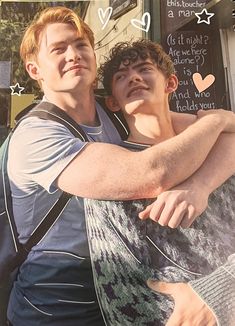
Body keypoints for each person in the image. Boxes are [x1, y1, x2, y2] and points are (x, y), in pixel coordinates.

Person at [7, 6, 235, 326]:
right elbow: (151, 173)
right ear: (34, 69)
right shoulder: (36, 135)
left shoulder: (116, 112)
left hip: (125, 300)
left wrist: (216, 129)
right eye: (58, 49)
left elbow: (213, 131)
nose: (73, 54)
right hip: (58, 309)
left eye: (81, 45)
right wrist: (217, 120)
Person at [82, 40, 235, 326]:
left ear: (171, 83)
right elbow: (118, 291)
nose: (134, 77)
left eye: (144, 69)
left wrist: (223, 289)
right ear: (113, 101)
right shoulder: (111, 178)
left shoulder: (221, 151)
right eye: (121, 76)